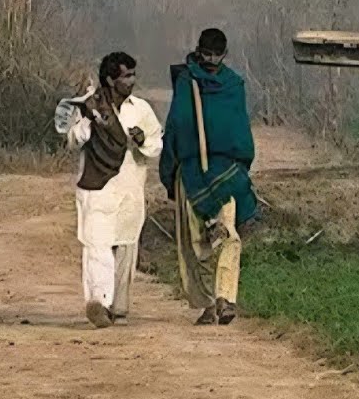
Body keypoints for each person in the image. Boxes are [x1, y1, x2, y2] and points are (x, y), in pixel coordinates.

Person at [55, 51, 163, 328]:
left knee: (126, 246)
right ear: (110, 79)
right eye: (126, 76)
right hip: (97, 186)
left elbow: (156, 144)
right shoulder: (89, 106)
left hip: (129, 187)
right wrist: (91, 121)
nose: (132, 81)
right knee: (97, 246)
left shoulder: (141, 109)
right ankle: (99, 303)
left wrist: (142, 141)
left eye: (133, 75)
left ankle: (120, 308)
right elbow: (72, 140)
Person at [160, 28, 258, 326]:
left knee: (229, 235)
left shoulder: (233, 85)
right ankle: (205, 303)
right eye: (207, 55)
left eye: (217, 55)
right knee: (195, 242)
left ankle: (226, 298)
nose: (212, 61)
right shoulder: (186, 81)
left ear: (225, 54)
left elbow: (239, 128)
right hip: (190, 171)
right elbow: (176, 127)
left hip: (225, 172)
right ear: (198, 51)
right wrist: (172, 169)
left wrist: (240, 166)